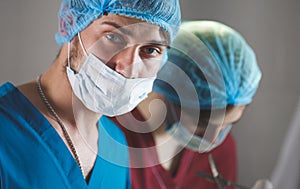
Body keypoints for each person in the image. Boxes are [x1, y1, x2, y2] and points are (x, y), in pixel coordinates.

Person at [0, 0, 181, 188]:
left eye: (150, 50)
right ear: (71, 24)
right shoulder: (5, 129)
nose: (128, 67)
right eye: (113, 37)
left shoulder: (116, 147)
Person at [112, 20, 267, 189]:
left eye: (227, 125)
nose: (213, 140)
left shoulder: (222, 151)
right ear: (169, 87)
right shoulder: (114, 135)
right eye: (202, 125)